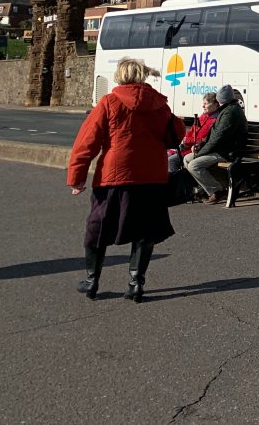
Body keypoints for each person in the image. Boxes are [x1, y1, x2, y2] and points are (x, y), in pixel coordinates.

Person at [67, 57, 184, 302]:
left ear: (120, 76)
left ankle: (91, 280)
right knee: (145, 231)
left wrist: (77, 177)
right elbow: (177, 134)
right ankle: (136, 283)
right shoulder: (159, 105)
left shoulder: (109, 102)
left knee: (98, 228)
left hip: (115, 176)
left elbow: (87, 142)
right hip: (152, 177)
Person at [184, 84, 249, 205]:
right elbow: (215, 136)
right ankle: (204, 189)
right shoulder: (227, 109)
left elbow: (218, 138)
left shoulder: (230, 113)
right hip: (221, 149)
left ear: (221, 100)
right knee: (187, 159)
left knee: (194, 165)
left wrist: (201, 152)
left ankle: (217, 191)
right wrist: (201, 144)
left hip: (228, 152)